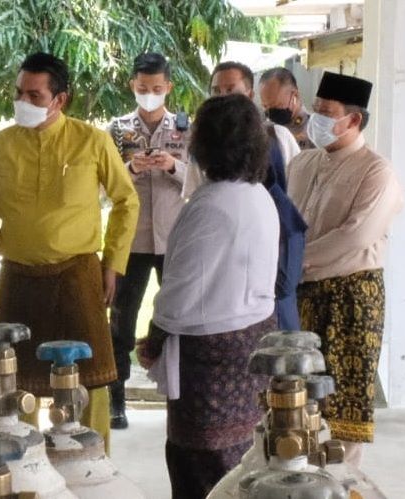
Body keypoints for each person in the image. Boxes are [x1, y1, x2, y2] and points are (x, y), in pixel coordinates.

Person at [0, 52, 139, 453]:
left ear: (60, 99)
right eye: (19, 93)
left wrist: (113, 263)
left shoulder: (92, 141)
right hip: (18, 276)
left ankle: (96, 463)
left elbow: (127, 201)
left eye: (34, 95)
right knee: (14, 381)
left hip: (78, 274)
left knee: (91, 379)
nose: (23, 102)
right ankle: (24, 463)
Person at [137, 93, 279, 499]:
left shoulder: (208, 205)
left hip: (210, 356)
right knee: (244, 463)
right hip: (255, 339)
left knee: (201, 467)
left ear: (202, 144)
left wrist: (153, 341)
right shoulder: (259, 195)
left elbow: (178, 295)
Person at [287, 72, 403, 468]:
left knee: (344, 401)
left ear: (353, 120)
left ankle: (342, 480)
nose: (314, 119)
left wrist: (294, 260)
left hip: (352, 296)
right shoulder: (302, 162)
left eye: (325, 112)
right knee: (295, 393)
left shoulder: (377, 171)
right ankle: (296, 476)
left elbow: (355, 235)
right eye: (315, 110)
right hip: (300, 292)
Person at [106, 52, 188, 430]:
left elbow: (200, 178)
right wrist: (131, 168)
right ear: (132, 86)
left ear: (168, 86)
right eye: (143, 88)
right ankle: (116, 398)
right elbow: (104, 185)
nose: (150, 94)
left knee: (179, 318)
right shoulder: (117, 129)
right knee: (121, 320)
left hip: (174, 239)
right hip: (131, 240)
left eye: (156, 88)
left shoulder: (186, 128)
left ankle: (180, 395)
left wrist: (173, 166)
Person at [201, 60, 306, 330]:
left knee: (279, 336)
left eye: (230, 89)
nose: (223, 96)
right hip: (226, 256)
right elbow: (196, 197)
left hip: (274, 250)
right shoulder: (203, 141)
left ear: (249, 93)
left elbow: (296, 194)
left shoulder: (278, 136)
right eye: (216, 90)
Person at [259, 67, 314, 149]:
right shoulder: (264, 131)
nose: (271, 112)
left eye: (277, 105)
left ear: (295, 95)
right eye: (265, 106)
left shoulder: (314, 130)